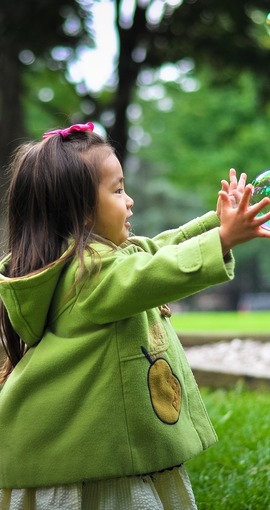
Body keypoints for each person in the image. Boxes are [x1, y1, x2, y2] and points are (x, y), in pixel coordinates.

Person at [0, 122, 269, 510]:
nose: (130, 202)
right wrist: (222, 240)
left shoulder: (98, 261)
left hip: (98, 449)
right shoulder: (89, 275)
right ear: (81, 212)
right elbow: (157, 271)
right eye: (118, 189)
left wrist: (216, 223)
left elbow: (160, 247)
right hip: (90, 464)